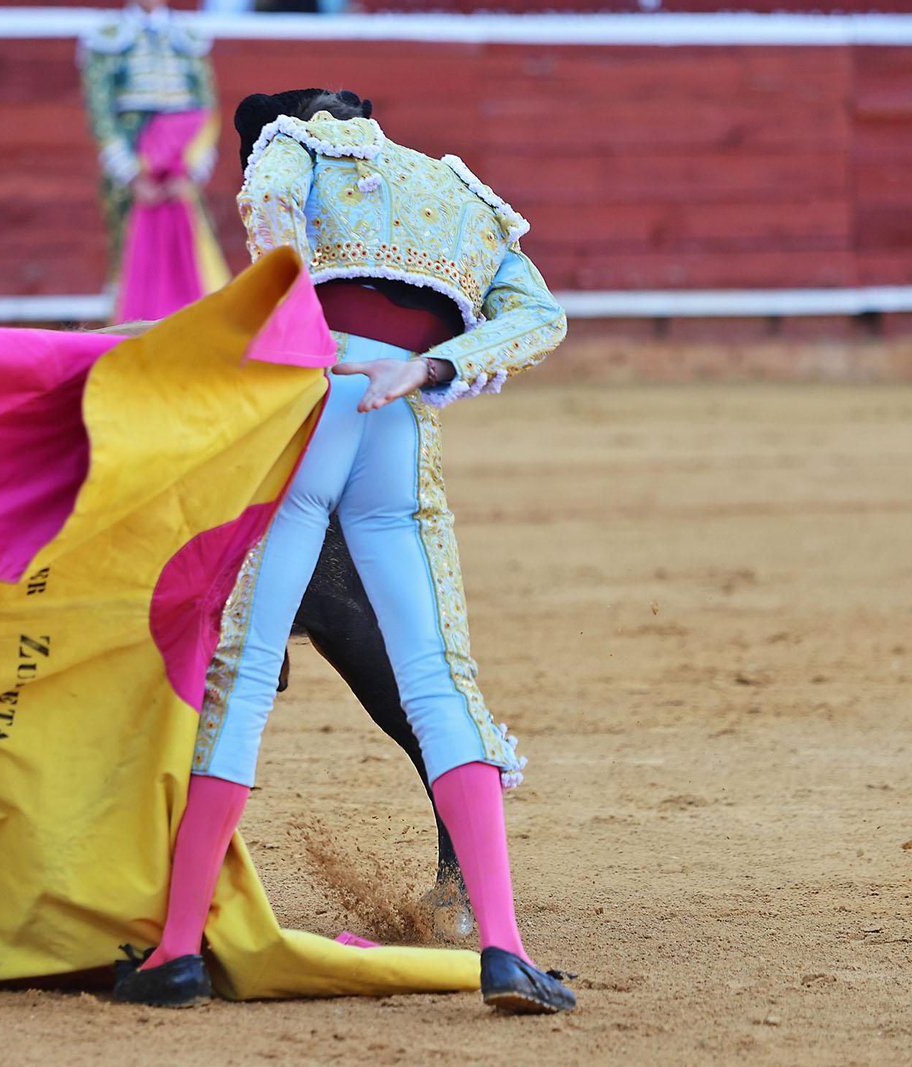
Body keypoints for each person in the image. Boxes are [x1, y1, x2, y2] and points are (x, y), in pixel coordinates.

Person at [112, 89, 576, 1013]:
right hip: (401, 414)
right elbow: (539, 318)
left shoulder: (294, 146)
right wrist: (432, 365)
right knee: (440, 677)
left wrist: (302, 338)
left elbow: (268, 211)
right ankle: (506, 949)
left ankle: (174, 951)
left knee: (240, 674)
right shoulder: (461, 195)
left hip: (316, 392)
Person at [78, 0, 226, 310]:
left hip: (181, 163)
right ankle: (126, 336)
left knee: (190, 251)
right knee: (127, 255)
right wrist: (131, 174)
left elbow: (206, 109)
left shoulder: (187, 37)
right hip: (133, 161)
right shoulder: (107, 36)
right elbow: (101, 112)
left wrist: (191, 173)